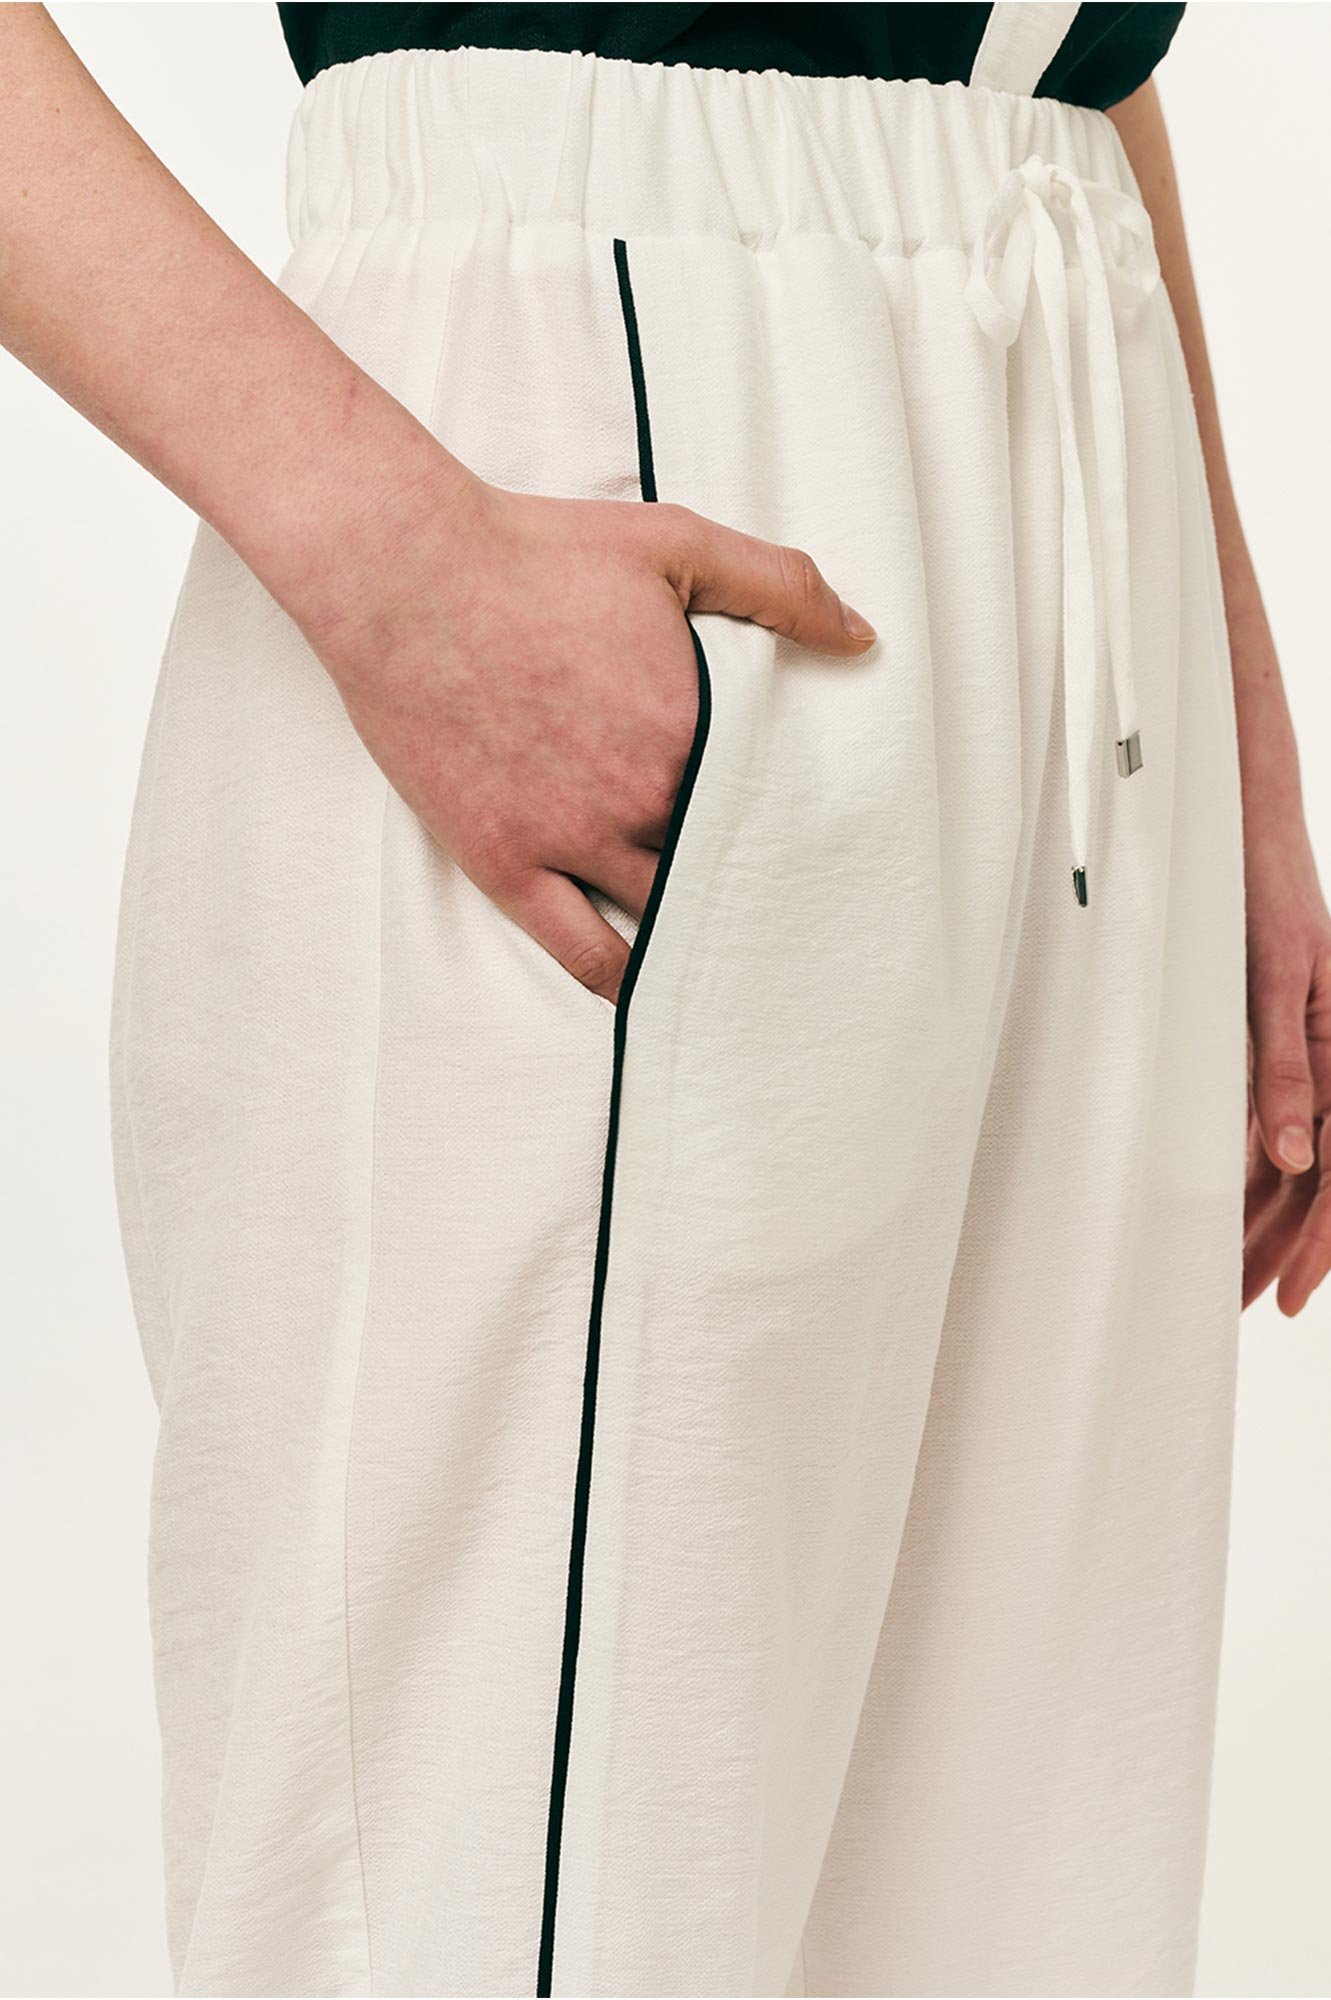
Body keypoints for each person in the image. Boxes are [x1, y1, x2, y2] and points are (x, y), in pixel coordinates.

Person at [2, 2, 1325, 1993]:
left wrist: (1239, 721)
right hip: (609, 406)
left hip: (1075, 412)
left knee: (1017, 1923)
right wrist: (392, 555)